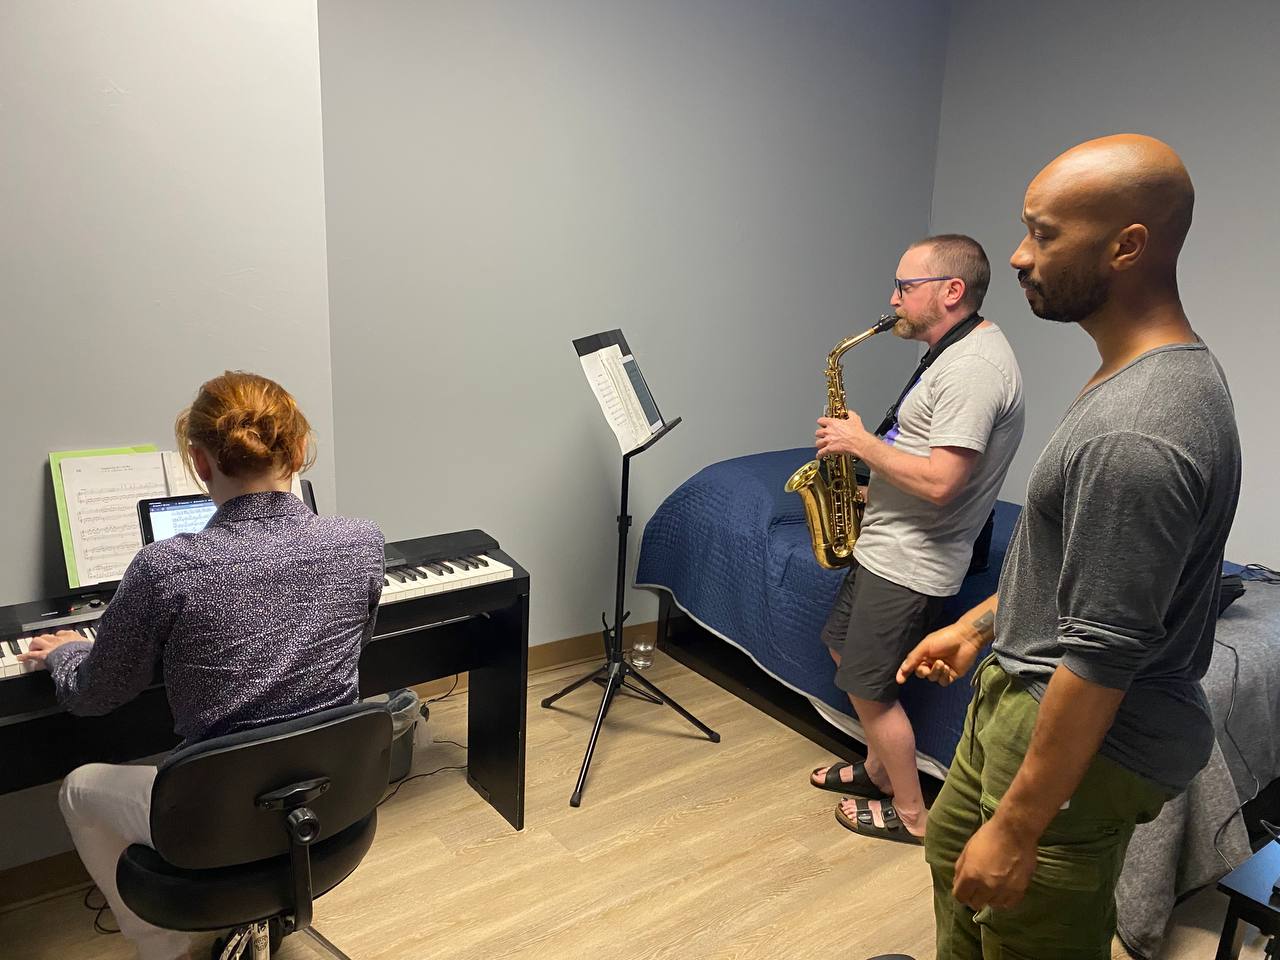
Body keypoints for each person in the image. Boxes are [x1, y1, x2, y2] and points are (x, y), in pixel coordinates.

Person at [899, 135, 1242, 958]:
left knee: (1028, 929)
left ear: (1127, 246)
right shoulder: (1131, 375)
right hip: (1016, 685)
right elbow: (1078, 563)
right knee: (953, 859)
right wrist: (981, 624)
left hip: (1080, 735)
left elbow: (1104, 653)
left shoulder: (1140, 429)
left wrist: (1019, 828)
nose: (1018, 257)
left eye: (1044, 234)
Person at [20, 371, 385, 960]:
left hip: (218, 815)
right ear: (296, 452)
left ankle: (167, 949)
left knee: (77, 789)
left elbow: (93, 694)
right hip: (329, 804)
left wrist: (65, 651)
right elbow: (356, 641)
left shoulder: (167, 567)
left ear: (198, 462)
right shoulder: (360, 541)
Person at [807, 234, 1025, 844]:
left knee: (869, 691)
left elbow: (944, 484)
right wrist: (868, 491)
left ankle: (911, 815)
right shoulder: (950, 350)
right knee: (844, 655)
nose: (893, 298)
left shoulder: (974, 370)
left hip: (912, 561)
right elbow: (925, 456)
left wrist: (860, 445)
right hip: (887, 544)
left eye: (906, 286)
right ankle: (878, 770)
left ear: (951, 292)